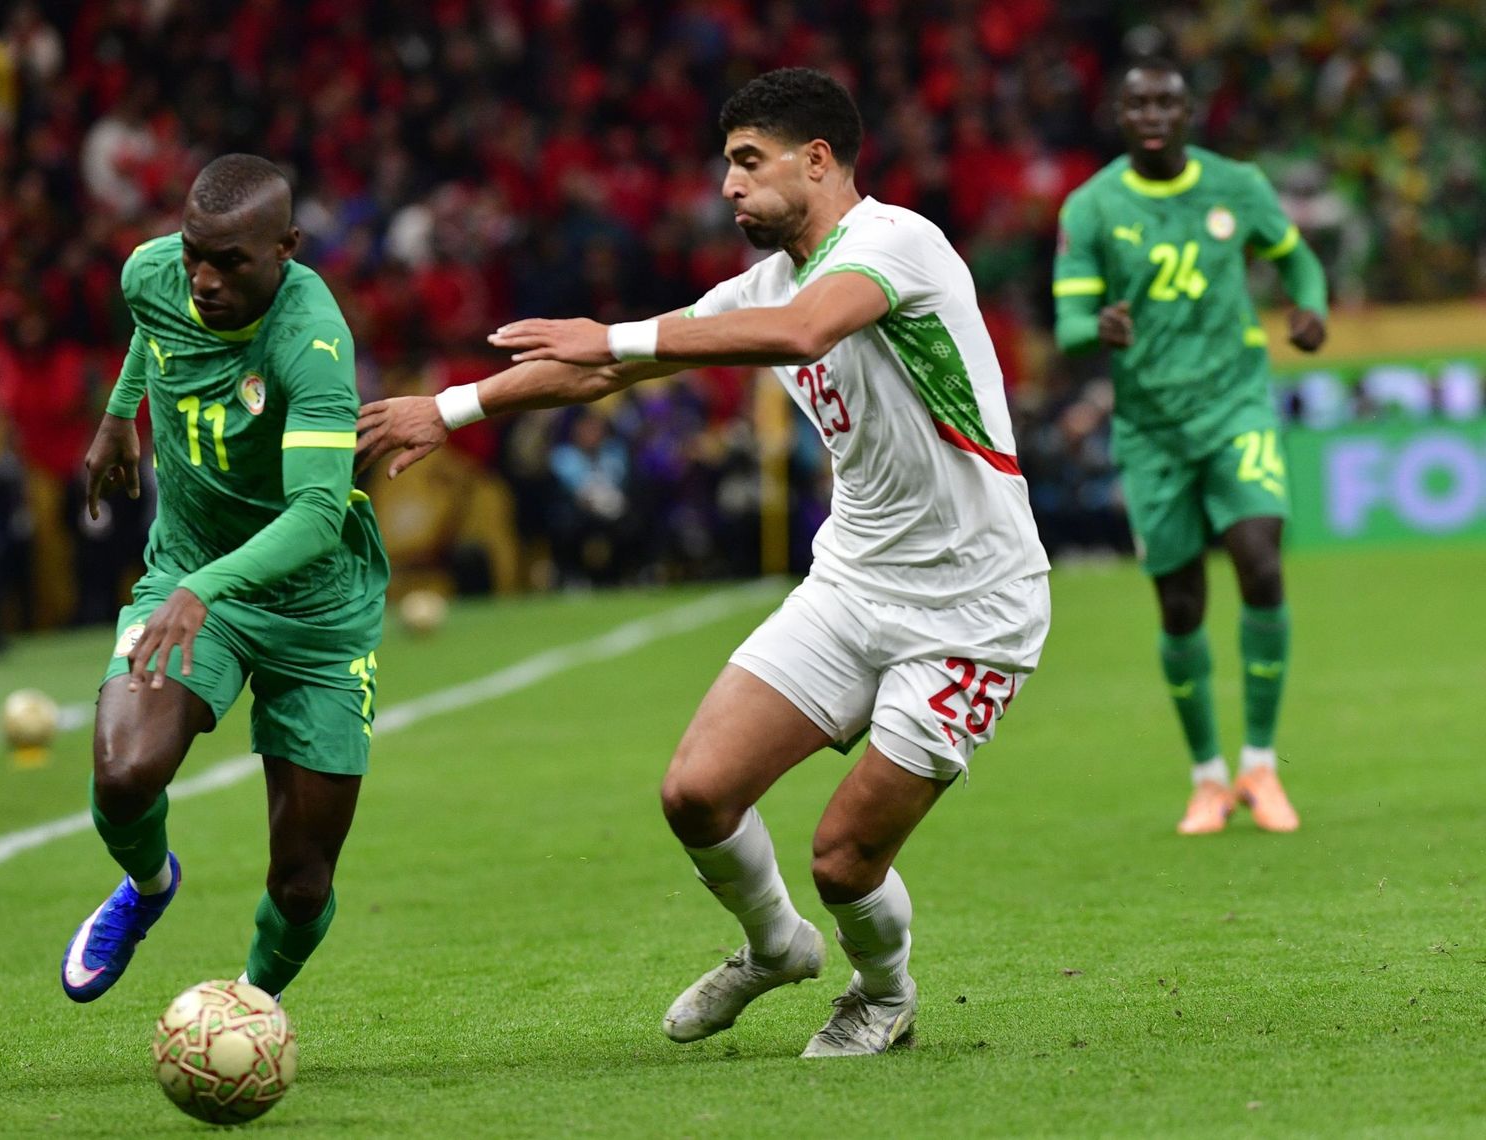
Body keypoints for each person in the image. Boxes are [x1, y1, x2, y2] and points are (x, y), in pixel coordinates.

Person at [358, 68, 1050, 1057]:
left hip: (974, 607)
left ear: (817, 161)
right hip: (854, 583)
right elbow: (608, 365)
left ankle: (881, 996)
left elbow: (804, 331)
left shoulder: (898, 244)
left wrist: (621, 333)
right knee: (696, 793)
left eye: (747, 162)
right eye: (725, 164)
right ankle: (774, 948)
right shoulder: (761, 284)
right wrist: (453, 406)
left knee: (844, 860)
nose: (727, 185)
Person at [60, 154, 388, 1004]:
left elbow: (318, 516)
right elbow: (151, 321)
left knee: (303, 879)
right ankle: (149, 884)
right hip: (188, 569)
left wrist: (204, 590)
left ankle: (249, 1005)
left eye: (230, 262)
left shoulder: (312, 343)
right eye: (193, 251)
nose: (202, 279)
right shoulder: (154, 271)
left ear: (286, 248)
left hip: (315, 608)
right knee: (123, 773)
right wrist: (117, 413)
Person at [1051, 59, 1328, 836]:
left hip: (1236, 407)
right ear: (1119, 111)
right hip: (1151, 430)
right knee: (1180, 605)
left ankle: (1262, 767)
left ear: (1188, 111)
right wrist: (1096, 330)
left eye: (1165, 101)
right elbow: (1070, 323)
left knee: (1262, 561)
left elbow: (1297, 259)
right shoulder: (1094, 205)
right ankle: (1208, 777)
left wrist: (1309, 309)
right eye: (1136, 100)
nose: (1151, 113)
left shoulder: (1237, 186)